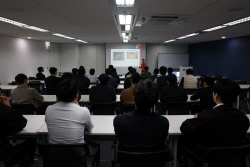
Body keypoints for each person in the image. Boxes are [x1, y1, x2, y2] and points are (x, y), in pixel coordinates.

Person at [178, 79, 249, 166]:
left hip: (208, 157)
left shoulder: (206, 117)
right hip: (235, 160)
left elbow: (185, 127)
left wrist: (198, 117)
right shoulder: (243, 118)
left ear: (216, 96)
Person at [45, 79, 99, 156]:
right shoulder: (83, 111)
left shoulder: (49, 109)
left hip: (55, 155)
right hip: (78, 156)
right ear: (77, 96)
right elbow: (90, 128)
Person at [114, 79, 169, 152]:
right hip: (154, 162)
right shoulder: (163, 123)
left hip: (128, 162)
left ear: (134, 98)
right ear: (156, 101)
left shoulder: (119, 121)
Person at [0, 96, 36, 167]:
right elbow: (22, 123)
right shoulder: (4, 110)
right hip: (3, 153)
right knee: (31, 142)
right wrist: (8, 106)